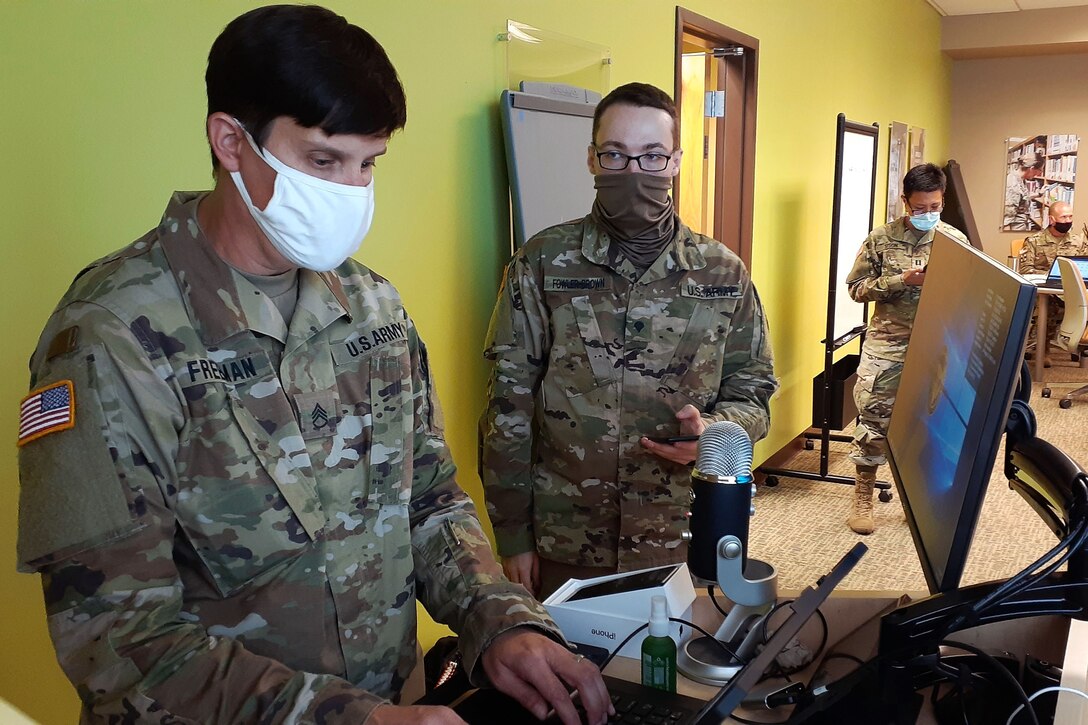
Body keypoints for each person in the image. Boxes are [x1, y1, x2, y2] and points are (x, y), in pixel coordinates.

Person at [15, 6, 610, 724]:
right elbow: (118, 643)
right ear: (231, 142)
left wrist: (502, 619)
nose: (351, 192)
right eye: (324, 161)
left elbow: (428, 501)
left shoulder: (372, 307)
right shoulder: (110, 338)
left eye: (368, 165)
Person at [479, 82, 777, 598]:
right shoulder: (543, 262)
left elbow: (753, 390)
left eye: (652, 156)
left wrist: (715, 434)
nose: (633, 172)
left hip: (681, 533)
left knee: (671, 667)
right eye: (615, 155)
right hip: (566, 539)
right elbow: (508, 407)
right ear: (592, 159)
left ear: (676, 162)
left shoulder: (722, 272)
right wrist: (513, 535)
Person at [845, 163, 969, 535]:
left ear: (942, 200)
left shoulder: (954, 240)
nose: (927, 214)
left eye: (934, 207)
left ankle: (916, 499)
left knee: (927, 424)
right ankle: (863, 495)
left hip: (936, 345)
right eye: (919, 208)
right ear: (905, 202)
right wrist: (901, 280)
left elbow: (965, 293)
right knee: (875, 419)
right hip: (889, 345)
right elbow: (856, 289)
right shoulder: (881, 239)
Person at [1019, 201, 1088, 361]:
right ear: (1051, 219)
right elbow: (1026, 269)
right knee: (1047, 305)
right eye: (1063, 217)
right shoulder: (1034, 241)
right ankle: (1043, 350)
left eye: (1070, 216)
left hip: (1073, 291)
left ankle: (1080, 345)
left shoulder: (1078, 241)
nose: (1067, 220)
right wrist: (1051, 275)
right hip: (1047, 292)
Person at [1003, 152, 1046, 231]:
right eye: (1040, 170)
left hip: (1020, 226)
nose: (1039, 174)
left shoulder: (1020, 179)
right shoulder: (1013, 185)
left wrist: (1039, 194)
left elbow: (1022, 198)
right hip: (1014, 230)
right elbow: (1006, 221)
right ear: (1032, 169)